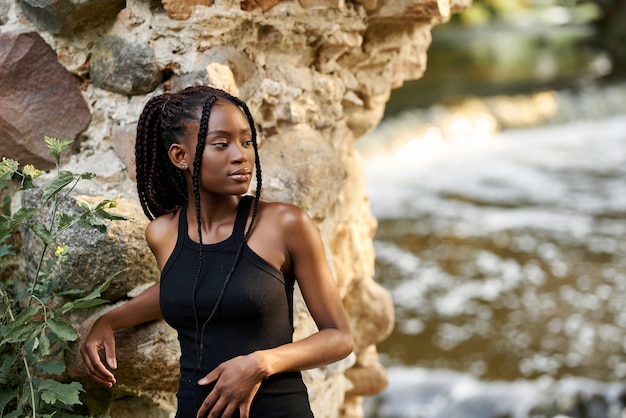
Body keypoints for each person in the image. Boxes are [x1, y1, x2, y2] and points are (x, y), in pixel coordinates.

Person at [80, 86, 354, 418]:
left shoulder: (284, 224)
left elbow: (339, 337)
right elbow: (182, 288)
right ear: (180, 156)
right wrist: (108, 321)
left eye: (247, 141)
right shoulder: (163, 233)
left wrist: (261, 363)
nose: (241, 155)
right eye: (221, 144)